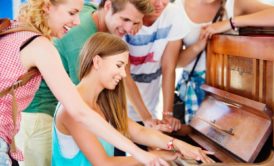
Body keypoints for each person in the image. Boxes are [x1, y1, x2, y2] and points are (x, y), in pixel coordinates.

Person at [0, 0, 170, 165]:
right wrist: (140, 153)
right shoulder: (43, 46)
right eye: (72, 13)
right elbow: (80, 110)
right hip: (36, 116)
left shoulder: (18, 28)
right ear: (46, 7)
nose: (77, 21)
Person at [52, 32, 214, 165]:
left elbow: (139, 131)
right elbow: (103, 163)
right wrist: (156, 155)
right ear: (97, 61)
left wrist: (178, 145)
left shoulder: (103, 102)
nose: (123, 74)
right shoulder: (72, 109)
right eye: (118, 65)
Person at [175, 0, 274, 124]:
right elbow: (175, 63)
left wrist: (230, 22)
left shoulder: (235, 3)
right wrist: (197, 46)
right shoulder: (178, 7)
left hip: (230, 89)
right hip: (194, 91)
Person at [123, 0, 189, 132]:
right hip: (118, 104)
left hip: (149, 104)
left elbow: (169, 68)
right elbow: (124, 75)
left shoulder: (174, 14)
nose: (160, 4)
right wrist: (146, 118)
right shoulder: (127, 15)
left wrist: (167, 115)